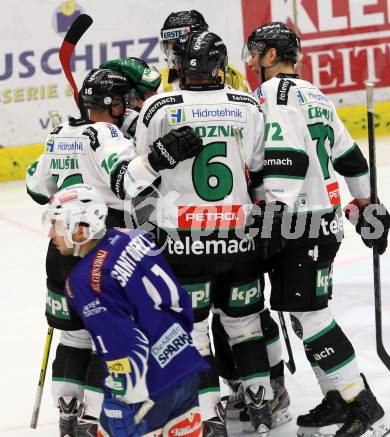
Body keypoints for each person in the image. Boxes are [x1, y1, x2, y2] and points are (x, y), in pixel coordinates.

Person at [26, 68, 201, 436]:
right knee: (100, 336)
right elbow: (126, 182)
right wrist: (160, 155)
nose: (128, 108)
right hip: (98, 252)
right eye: (123, 102)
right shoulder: (106, 132)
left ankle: (68, 408)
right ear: (112, 105)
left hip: (60, 248)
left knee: (72, 335)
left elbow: (36, 187)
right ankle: (93, 419)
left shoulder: (58, 134)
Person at [242, 22, 390, 437]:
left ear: (271, 56)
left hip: (298, 223)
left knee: (313, 316)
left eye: (255, 52)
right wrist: (368, 206)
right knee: (303, 313)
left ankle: (366, 410)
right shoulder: (314, 93)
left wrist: (272, 215)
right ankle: (336, 399)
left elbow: (287, 161)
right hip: (318, 221)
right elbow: (351, 158)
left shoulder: (274, 94)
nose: (250, 60)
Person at [125, 30, 274, 436]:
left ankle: (209, 416)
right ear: (221, 66)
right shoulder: (247, 104)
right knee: (245, 326)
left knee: (194, 331)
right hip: (239, 234)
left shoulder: (157, 107)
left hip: (184, 240)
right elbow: (259, 171)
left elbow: (138, 179)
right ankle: (262, 407)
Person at [44, 183, 207, 437]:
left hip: (147, 390)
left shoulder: (84, 280)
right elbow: (181, 302)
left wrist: (121, 402)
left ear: (79, 228)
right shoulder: (134, 236)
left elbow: (122, 344)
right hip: (184, 369)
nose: (50, 234)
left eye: (56, 224)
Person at [159, 10, 250, 93]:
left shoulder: (229, 74)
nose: (173, 53)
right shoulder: (159, 80)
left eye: (179, 45)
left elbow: (249, 106)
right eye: (169, 44)